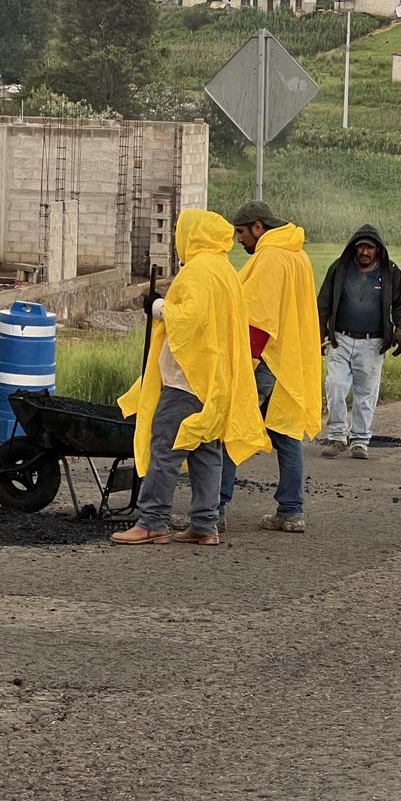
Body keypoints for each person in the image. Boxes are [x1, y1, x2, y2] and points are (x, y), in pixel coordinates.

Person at [111, 210, 270, 547]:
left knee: (166, 448)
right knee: (205, 450)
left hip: (187, 377)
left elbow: (190, 319)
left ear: (192, 235)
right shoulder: (224, 270)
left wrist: (157, 307)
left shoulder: (198, 271)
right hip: (215, 380)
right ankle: (204, 524)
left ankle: (152, 521)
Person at [220, 201, 322, 533]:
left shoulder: (271, 257)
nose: (239, 241)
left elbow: (259, 318)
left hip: (266, 358)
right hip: (290, 360)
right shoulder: (297, 255)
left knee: (230, 427)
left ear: (258, 227)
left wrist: (244, 366)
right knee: (286, 433)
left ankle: (212, 510)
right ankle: (292, 512)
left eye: (241, 232)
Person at [317, 225, 401, 459]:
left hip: (373, 343)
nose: (365, 251)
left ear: (378, 250)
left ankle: (359, 440)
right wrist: (319, 332)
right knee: (335, 386)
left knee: (365, 394)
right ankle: (337, 436)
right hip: (340, 339)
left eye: (370, 247)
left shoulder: (390, 272)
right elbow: (324, 302)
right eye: (361, 246)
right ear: (354, 247)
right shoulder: (339, 269)